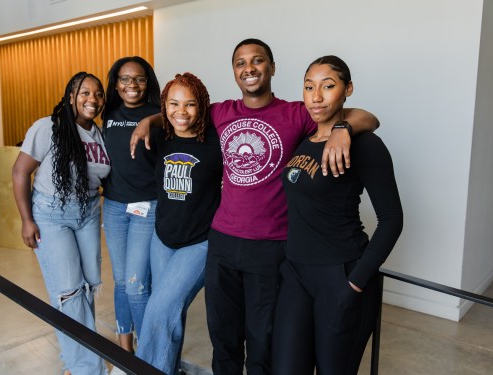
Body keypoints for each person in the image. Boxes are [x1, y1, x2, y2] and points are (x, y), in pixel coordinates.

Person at [130, 38, 379, 375]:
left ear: (272, 68)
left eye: (257, 60)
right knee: (224, 338)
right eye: (240, 62)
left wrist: (343, 128)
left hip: (271, 246)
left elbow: (368, 117)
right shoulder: (221, 111)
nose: (249, 68)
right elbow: (180, 112)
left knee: (262, 340)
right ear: (234, 72)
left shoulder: (296, 112)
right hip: (222, 241)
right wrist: (149, 121)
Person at [271, 55, 403, 374]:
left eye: (327, 86)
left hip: (341, 275)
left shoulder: (366, 145)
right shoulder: (304, 142)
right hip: (296, 275)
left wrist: (355, 283)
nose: (316, 96)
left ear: (348, 89)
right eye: (308, 87)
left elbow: (392, 219)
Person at [12, 72, 110, 375]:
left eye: (97, 94)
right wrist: (27, 220)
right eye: (84, 93)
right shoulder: (48, 127)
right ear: (70, 96)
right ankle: (87, 369)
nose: (91, 99)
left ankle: (76, 360)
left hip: (90, 211)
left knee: (88, 287)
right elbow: (19, 172)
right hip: (52, 214)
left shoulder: (99, 134)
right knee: (68, 292)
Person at [135, 72, 223, 375]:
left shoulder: (216, 140)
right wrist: (150, 121)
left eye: (190, 104)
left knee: (159, 309)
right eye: (173, 104)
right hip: (163, 238)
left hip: (199, 242)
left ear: (202, 107)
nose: (181, 112)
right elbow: (160, 119)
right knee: (170, 312)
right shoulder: (160, 136)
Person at [101, 56, 161, 361]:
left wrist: (150, 121)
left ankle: (148, 356)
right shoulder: (108, 113)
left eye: (138, 78)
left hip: (147, 207)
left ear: (147, 82)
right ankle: (125, 353)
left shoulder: (159, 114)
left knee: (137, 286)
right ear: (116, 83)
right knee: (122, 282)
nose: (131, 85)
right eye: (124, 79)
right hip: (112, 206)